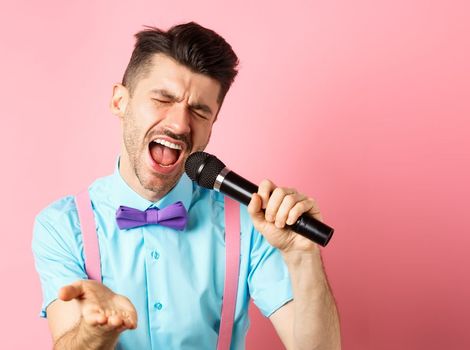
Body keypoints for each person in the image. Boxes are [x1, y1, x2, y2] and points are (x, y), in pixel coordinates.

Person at [31, 22, 341, 350]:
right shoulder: (63, 225)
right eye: (163, 99)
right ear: (120, 102)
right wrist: (98, 330)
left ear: (212, 126)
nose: (180, 123)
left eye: (198, 111)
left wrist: (302, 256)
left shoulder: (249, 226)